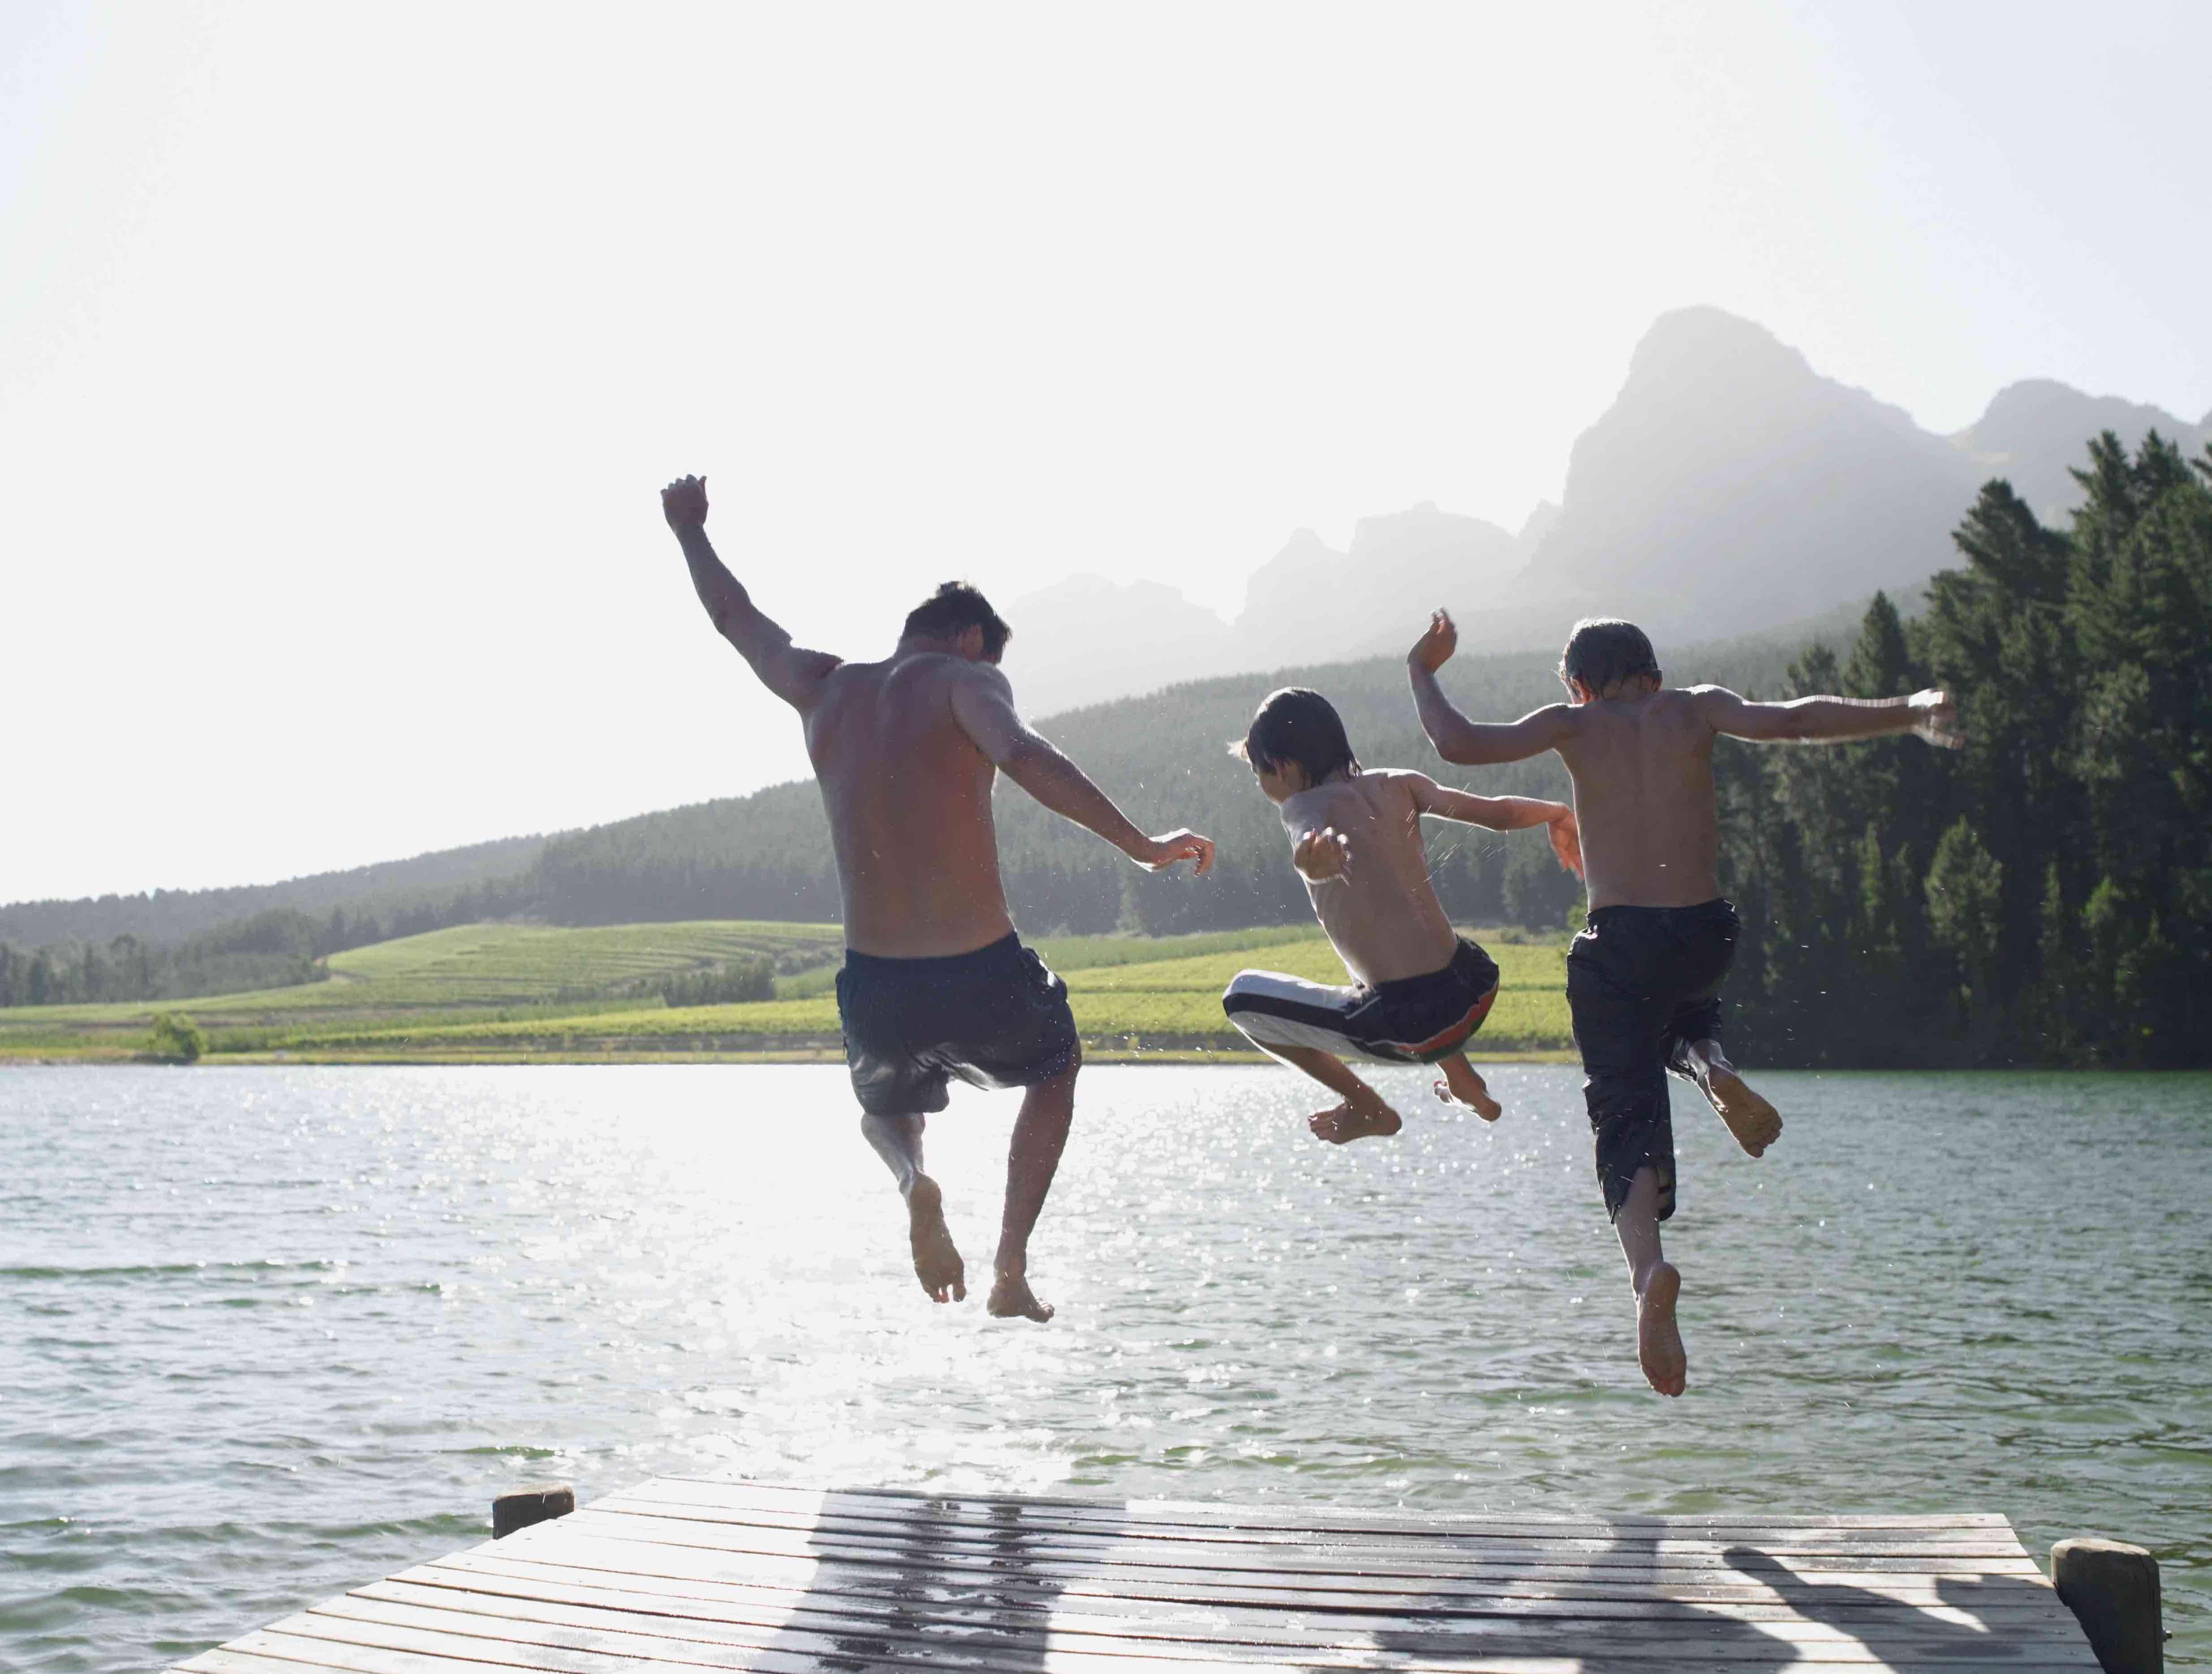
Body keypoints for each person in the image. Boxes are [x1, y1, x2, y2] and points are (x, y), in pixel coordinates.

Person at [660, 474, 1215, 1323]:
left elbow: (736, 619)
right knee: (1057, 1065)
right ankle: (1010, 1268)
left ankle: (916, 1184)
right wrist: (1139, 845)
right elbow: (1026, 756)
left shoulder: (822, 687)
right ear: (966, 639)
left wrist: (689, 531)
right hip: (979, 968)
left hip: (875, 982)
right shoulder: (966, 680)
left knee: (885, 1112)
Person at [1407, 609, 1960, 1395]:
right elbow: (1795, 721)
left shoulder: (1571, 722)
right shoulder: (1695, 706)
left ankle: (1646, 1275)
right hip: (1704, 929)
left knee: (1621, 1104)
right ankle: (1709, 1068)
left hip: (1618, 937)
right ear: (1653, 674)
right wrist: (1908, 710)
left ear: (1578, 683)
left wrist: (1420, 670)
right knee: (1685, 1013)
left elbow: (1457, 742)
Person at [1220, 686, 1582, 1144]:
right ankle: (1465, 1082)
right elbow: (1498, 813)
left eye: (1259, 771)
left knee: (1240, 1000)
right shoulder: (1398, 781)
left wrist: (1315, 861)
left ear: (1286, 767)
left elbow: (1311, 837)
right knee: (1394, 945)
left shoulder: (1301, 807)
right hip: (1475, 985)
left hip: (1410, 1026)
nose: (1261, 785)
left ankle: (1368, 1108)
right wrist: (1557, 812)